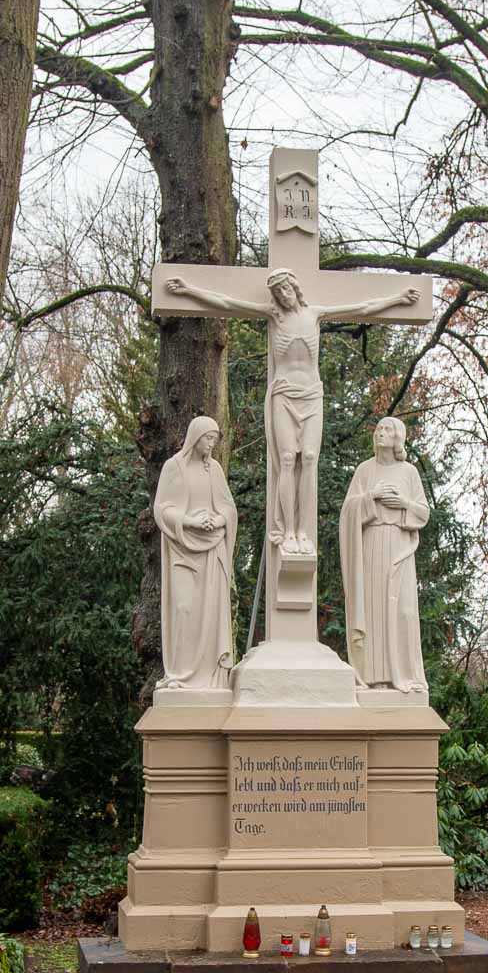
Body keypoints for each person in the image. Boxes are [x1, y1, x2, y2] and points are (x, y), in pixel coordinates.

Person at [163, 269, 418, 555]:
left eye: (286, 289)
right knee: (287, 459)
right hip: (284, 394)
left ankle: (302, 531)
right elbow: (225, 302)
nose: (283, 296)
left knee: (308, 458)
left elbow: (363, 307)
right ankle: (287, 531)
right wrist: (187, 289)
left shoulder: (315, 314)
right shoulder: (274, 316)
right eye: (277, 292)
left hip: (311, 395)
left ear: (295, 288)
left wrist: (398, 299)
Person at [339, 417, 430, 693]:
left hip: (400, 545)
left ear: (397, 437)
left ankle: (407, 674)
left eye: (387, 429)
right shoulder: (364, 470)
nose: (380, 432)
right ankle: (376, 677)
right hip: (371, 542)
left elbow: (423, 512)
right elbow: (347, 512)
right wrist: (371, 496)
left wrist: (402, 504)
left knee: (404, 610)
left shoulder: (409, 472)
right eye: (378, 429)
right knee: (374, 608)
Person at [152, 416, 237, 688]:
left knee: (210, 615)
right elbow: (162, 509)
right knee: (184, 609)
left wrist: (218, 520)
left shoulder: (215, 470)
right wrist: (190, 521)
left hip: (212, 548)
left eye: (214, 440)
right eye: (208, 438)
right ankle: (178, 675)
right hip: (183, 549)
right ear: (195, 437)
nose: (211, 444)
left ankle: (209, 677)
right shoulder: (173, 467)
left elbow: (228, 507)